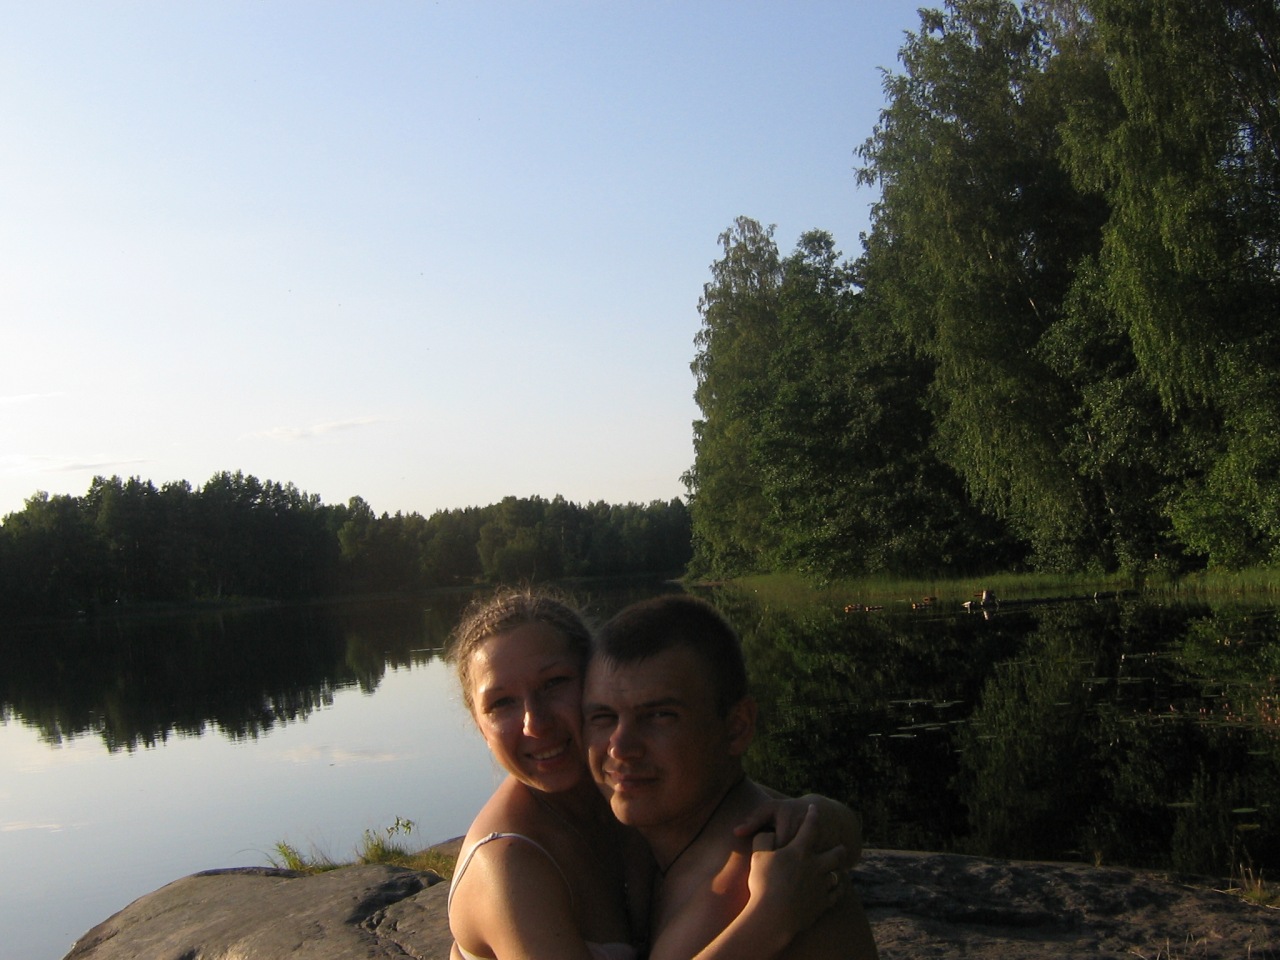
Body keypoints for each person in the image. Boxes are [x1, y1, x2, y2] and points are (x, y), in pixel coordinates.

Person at [445, 587, 860, 960]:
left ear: (596, 682)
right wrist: (767, 923)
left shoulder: (625, 792)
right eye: (500, 704)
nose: (535, 723)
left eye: (554, 683)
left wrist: (819, 815)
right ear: (479, 723)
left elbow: (825, 828)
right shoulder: (506, 864)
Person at [584, 593, 879, 959]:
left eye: (659, 715)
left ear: (737, 727)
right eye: (603, 717)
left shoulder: (744, 882)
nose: (620, 747)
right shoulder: (728, 820)